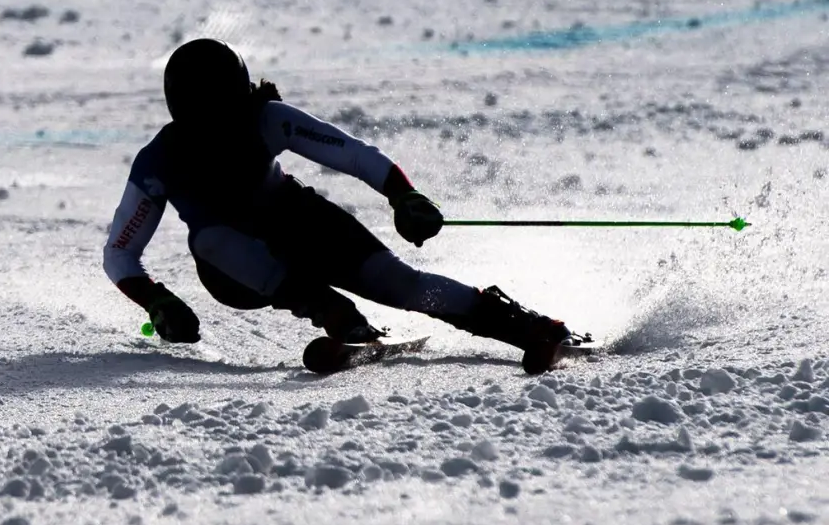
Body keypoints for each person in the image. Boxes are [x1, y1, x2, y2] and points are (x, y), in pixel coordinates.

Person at [102, 37, 575, 374]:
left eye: (227, 111)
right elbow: (119, 254)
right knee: (210, 238)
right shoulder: (159, 160)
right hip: (237, 273)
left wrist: (402, 194)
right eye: (206, 116)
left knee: (401, 284)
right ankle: (328, 308)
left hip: (301, 222)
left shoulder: (265, 118)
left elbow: (350, 152)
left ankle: (527, 328)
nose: (220, 128)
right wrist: (158, 301)